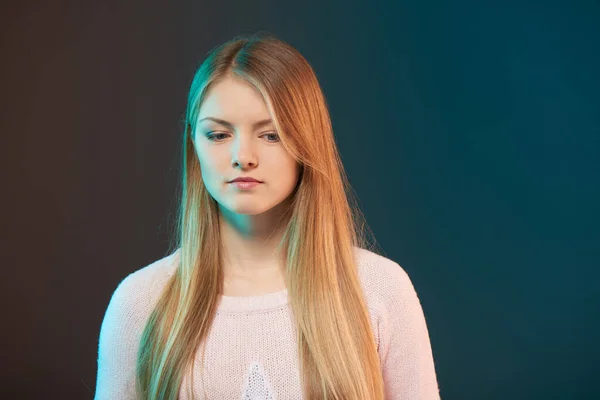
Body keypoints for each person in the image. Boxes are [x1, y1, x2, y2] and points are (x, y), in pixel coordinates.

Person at [94, 32, 441, 400]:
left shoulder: (379, 292)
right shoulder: (140, 303)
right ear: (192, 142)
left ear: (307, 142)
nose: (243, 156)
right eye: (218, 134)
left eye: (271, 135)